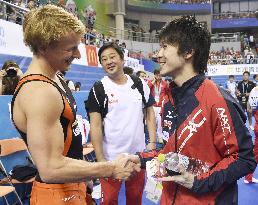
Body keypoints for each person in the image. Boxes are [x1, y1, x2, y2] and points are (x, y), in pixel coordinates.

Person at [11, 5, 140, 205]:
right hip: (54, 194)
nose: (78, 55)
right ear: (44, 46)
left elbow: (69, 140)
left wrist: (84, 175)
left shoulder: (57, 79)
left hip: (72, 185)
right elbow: (50, 168)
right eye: (71, 48)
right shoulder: (39, 92)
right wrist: (110, 168)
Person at [138, 16, 256, 205]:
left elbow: (244, 158)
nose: (157, 55)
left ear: (188, 52)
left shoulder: (217, 99)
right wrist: (139, 160)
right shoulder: (168, 96)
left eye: (165, 47)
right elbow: (170, 151)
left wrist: (197, 181)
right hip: (169, 199)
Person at [85, 42, 156, 205]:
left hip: (137, 158)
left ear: (122, 59)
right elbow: (95, 126)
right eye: (104, 59)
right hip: (111, 160)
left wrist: (151, 142)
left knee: (135, 199)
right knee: (108, 201)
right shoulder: (98, 89)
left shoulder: (139, 84)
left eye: (112, 57)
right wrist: (100, 159)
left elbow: (150, 113)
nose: (108, 61)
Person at [148, 68, 168, 143]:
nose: (159, 76)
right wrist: (153, 81)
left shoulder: (165, 83)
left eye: (160, 75)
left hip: (160, 105)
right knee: (152, 121)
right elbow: (147, 88)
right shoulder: (150, 82)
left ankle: (160, 136)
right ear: (155, 75)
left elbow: (167, 93)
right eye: (157, 75)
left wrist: (164, 101)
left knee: (160, 121)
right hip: (152, 104)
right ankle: (152, 137)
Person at [244, 86, 258, 183]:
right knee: (256, 154)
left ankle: (248, 177)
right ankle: (248, 177)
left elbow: (249, 109)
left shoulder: (253, 90)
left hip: (257, 125)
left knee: (256, 154)